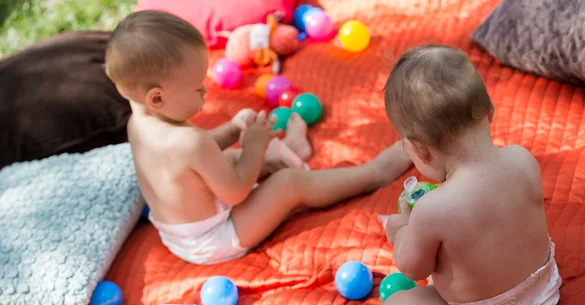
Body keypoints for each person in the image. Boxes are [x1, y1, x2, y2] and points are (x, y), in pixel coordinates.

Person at [105, 11, 413, 265]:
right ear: (157, 98)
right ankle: (373, 174)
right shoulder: (190, 142)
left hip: (181, 231)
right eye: (196, 87)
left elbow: (193, 159)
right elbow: (237, 192)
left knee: (224, 159)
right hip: (215, 238)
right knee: (288, 184)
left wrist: (232, 129)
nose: (205, 90)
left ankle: (291, 150)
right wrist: (252, 146)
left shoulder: (139, 122)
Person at [378, 44, 561, 305]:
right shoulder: (522, 158)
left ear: (420, 150)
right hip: (544, 292)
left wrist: (401, 230)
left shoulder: (432, 210)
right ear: (489, 110)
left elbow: (415, 269)